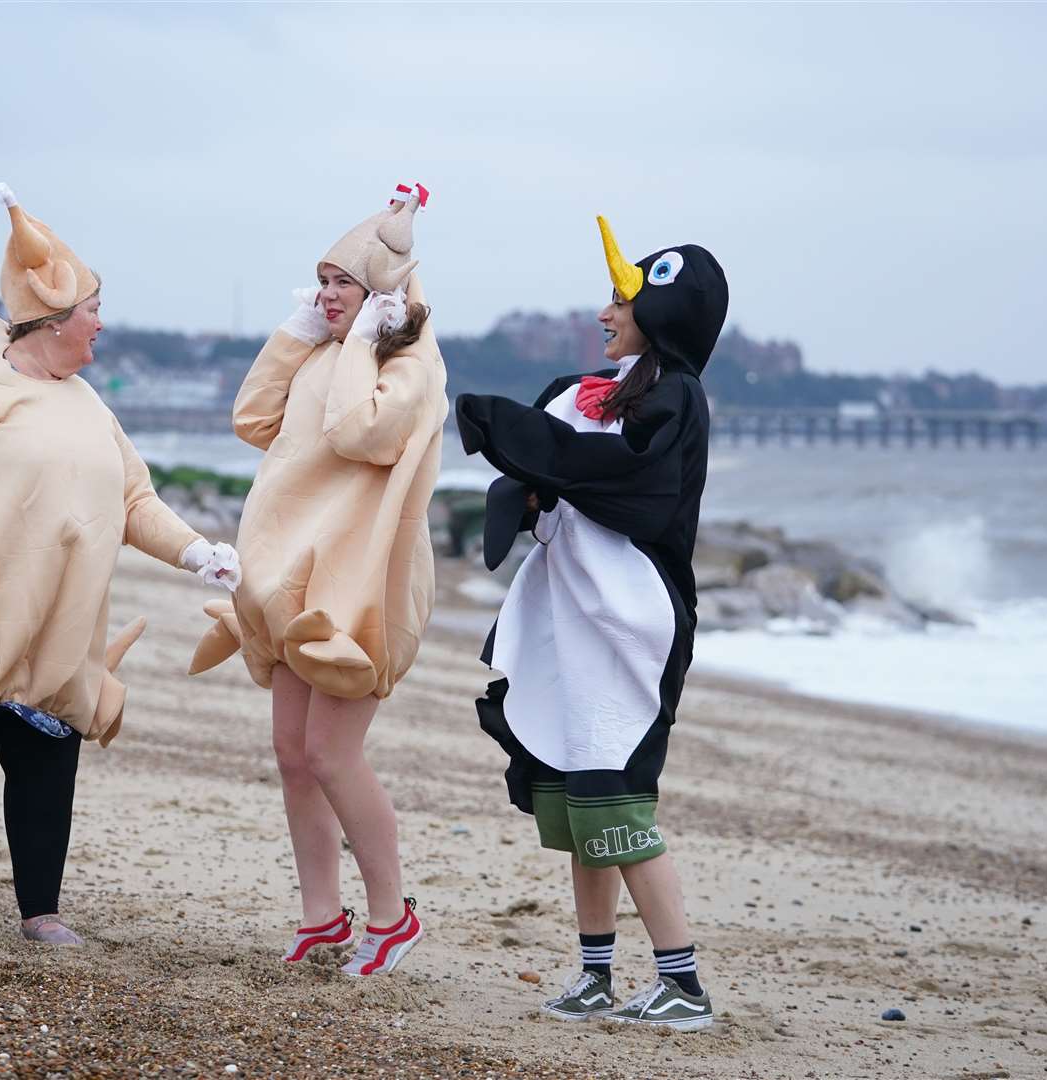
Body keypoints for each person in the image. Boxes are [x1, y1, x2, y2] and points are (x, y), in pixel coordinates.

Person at [0, 184, 240, 945]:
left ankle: (41, 912)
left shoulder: (89, 403)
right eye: (93, 309)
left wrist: (197, 551)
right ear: (54, 322)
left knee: (46, 763)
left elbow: (134, 500)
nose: (101, 324)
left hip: (59, 629)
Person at [454, 215, 728, 1028]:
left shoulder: (674, 399)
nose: (603, 314)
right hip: (563, 619)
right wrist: (528, 484)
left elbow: (624, 482)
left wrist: (513, 436)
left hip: (628, 623)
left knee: (616, 800)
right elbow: (549, 490)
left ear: (665, 314)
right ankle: (595, 973)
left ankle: (682, 984)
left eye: (621, 300)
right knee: (576, 799)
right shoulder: (576, 394)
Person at [187, 183, 448, 976]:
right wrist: (297, 336)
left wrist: (367, 341)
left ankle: (389, 915)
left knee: (334, 755)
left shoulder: (412, 363)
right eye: (319, 280)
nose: (323, 294)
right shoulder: (327, 353)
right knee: (294, 755)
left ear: (381, 295)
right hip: (287, 582)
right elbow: (253, 421)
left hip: (356, 586)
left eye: (339, 283)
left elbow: (358, 431)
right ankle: (319, 917)